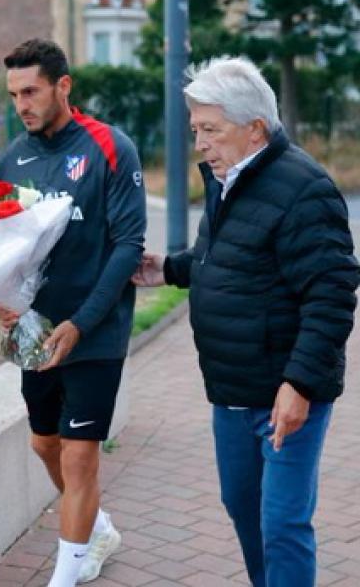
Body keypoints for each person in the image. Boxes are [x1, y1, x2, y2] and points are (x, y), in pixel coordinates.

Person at [132, 56, 358, 586]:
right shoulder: (227, 178)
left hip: (285, 393)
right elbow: (228, 259)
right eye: (196, 131)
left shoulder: (305, 189)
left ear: (255, 128)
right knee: (243, 507)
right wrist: (166, 269)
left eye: (211, 130)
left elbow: (332, 294)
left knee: (281, 522)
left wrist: (299, 384)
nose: (201, 144)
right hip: (231, 390)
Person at [0, 38, 146, 586]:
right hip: (36, 334)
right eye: (13, 95)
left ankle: (66, 574)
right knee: (44, 444)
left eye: (31, 92)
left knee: (80, 458)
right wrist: (3, 300)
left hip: (95, 330)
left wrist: (82, 322)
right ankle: (97, 527)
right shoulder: (11, 158)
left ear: (63, 86)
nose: (22, 105)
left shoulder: (110, 146)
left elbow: (128, 243)